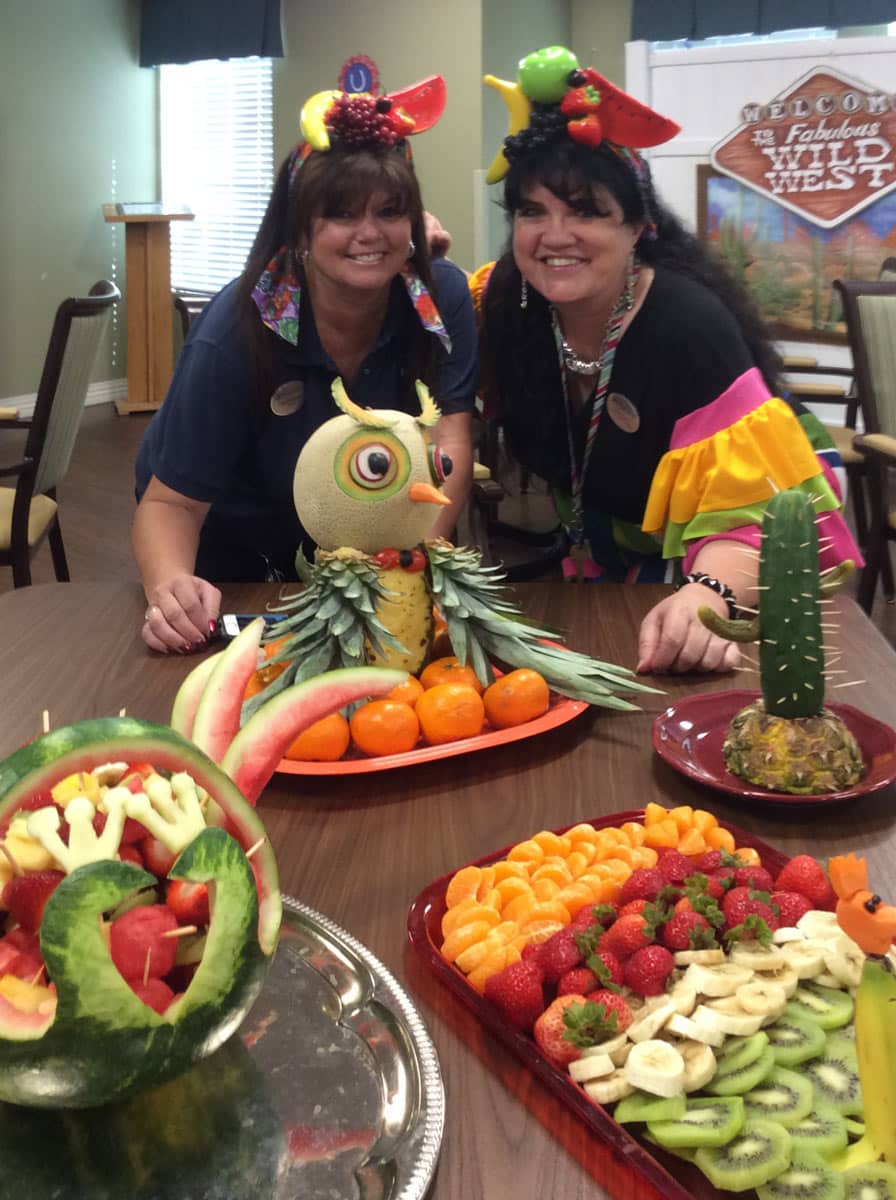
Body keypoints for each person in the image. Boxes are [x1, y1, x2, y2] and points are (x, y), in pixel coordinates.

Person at [472, 46, 860, 675]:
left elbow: (751, 513)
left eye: (587, 210)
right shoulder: (507, 303)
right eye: (531, 211)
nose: (555, 235)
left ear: (637, 226)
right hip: (612, 537)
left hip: (764, 500)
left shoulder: (687, 325)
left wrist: (710, 595)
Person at [134, 80, 477, 654]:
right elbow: (171, 502)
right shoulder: (234, 333)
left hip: (378, 561)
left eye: (390, 212)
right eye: (341, 214)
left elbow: (451, 441)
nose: (369, 233)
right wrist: (172, 590)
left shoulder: (444, 299)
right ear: (298, 230)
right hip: (240, 569)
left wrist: (414, 559)